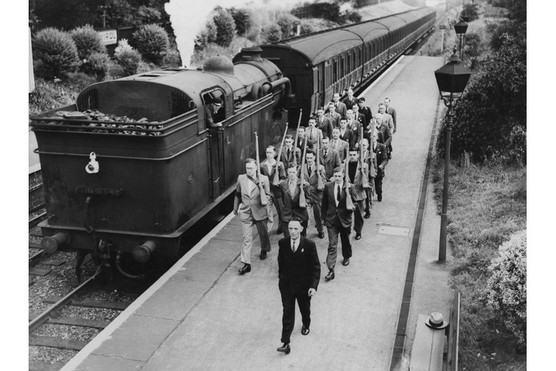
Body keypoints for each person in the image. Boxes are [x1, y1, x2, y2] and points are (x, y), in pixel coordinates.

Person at [276, 219, 321, 355]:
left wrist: (313, 286)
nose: (293, 232)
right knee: (288, 312)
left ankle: (306, 324)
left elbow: (315, 267)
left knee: (304, 309)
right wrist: (282, 280)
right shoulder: (283, 243)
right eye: (290, 228)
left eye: (296, 229)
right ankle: (285, 342)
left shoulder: (309, 245)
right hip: (287, 286)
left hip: (303, 287)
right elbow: (281, 263)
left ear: (301, 229)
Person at [233, 158, 272, 274]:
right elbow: (237, 194)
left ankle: (264, 248)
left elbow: (268, 195)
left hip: (260, 211)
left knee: (263, 234)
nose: (249, 170)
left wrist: (267, 206)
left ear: (256, 168)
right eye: (247, 168)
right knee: (246, 238)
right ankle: (246, 263)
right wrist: (235, 208)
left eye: (251, 168)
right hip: (246, 212)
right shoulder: (241, 178)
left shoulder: (263, 179)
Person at [321, 169, 355, 281]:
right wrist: (323, 218)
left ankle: (346, 256)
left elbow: (355, 201)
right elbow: (324, 203)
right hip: (331, 220)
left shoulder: (350, 187)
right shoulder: (328, 186)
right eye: (335, 176)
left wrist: (352, 207)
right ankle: (331, 270)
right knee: (332, 244)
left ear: (343, 176)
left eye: (339, 176)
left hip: (344, 219)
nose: (337, 178)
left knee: (345, 240)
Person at [279, 164, 310, 238]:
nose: (291, 174)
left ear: (297, 172)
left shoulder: (304, 184)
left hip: (300, 215)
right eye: (290, 172)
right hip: (287, 215)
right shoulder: (283, 184)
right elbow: (283, 198)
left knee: (302, 238)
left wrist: (304, 202)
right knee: (287, 238)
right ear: (287, 172)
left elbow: (309, 199)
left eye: (293, 172)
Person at [260, 145, 286, 234]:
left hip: (277, 191)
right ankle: (268, 228)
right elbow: (260, 177)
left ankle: (281, 227)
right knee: (266, 211)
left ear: (274, 153)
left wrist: (279, 182)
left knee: (280, 210)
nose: (268, 154)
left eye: (270, 152)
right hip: (267, 191)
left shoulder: (279, 164)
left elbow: (284, 177)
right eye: (267, 152)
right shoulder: (262, 165)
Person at [301, 150, 327, 239]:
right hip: (306, 195)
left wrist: (321, 185)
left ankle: (320, 230)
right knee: (304, 215)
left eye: (311, 158)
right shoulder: (302, 167)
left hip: (317, 194)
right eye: (307, 158)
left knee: (318, 215)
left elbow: (324, 180)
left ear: (314, 158)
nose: (309, 160)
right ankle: (304, 231)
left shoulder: (320, 167)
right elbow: (298, 178)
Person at [347, 149, 370, 240]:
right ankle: (347, 230)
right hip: (348, 193)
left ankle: (358, 231)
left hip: (359, 193)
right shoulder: (344, 165)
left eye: (354, 154)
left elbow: (366, 180)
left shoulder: (364, 166)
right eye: (350, 154)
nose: (352, 156)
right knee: (347, 214)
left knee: (359, 215)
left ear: (357, 155)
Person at [360, 138, 374, 218]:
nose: (362, 147)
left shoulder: (371, 155)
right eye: (361, 145)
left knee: (368, 196)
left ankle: (368, 211)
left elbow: (374, 168)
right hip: (360, 178)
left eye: (364, 145)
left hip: (368, 179)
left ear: (368, 145)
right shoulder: (357, 154)